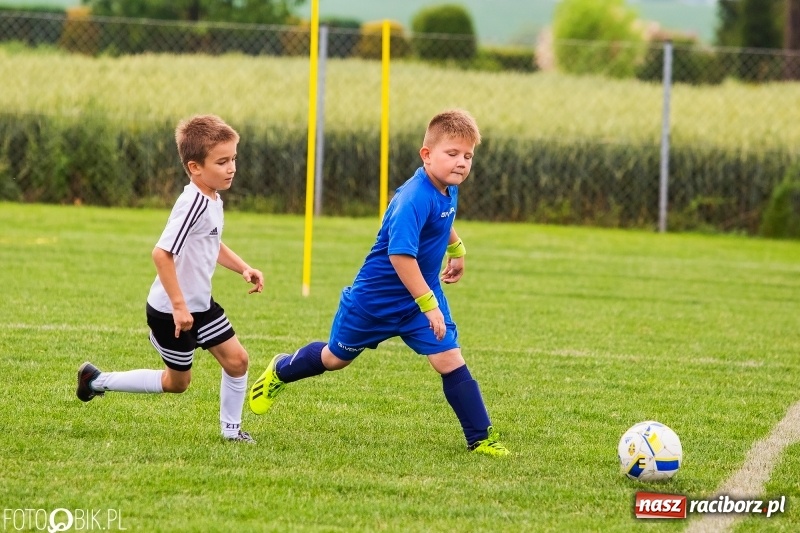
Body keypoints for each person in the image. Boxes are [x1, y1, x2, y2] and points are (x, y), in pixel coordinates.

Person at [248, 109, 509, 456]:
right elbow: (400, 257)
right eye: (452, 153)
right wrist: (429, 304)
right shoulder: (413, 197)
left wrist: (456, 249)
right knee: (334, 359)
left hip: (418, 300)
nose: (461, 162)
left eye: (468, 156)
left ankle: (481, 439)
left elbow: (441, 220)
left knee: (449, 358)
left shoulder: (446, 185)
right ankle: (281, 369)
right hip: (374, 302)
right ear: (427, 155)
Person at [76, 114, 264, 443]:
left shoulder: (213, 198)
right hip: (170, 313)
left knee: (237, 361)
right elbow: (161, 254)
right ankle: (96, 380)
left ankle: (231, 433)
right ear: (195, 167)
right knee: (177, 383)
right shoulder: (192, 203)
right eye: (222, 162)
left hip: (200, 307)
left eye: (233, 159)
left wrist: (243, 268)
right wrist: (178, 306)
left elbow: (212, 243)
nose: (232, 168)